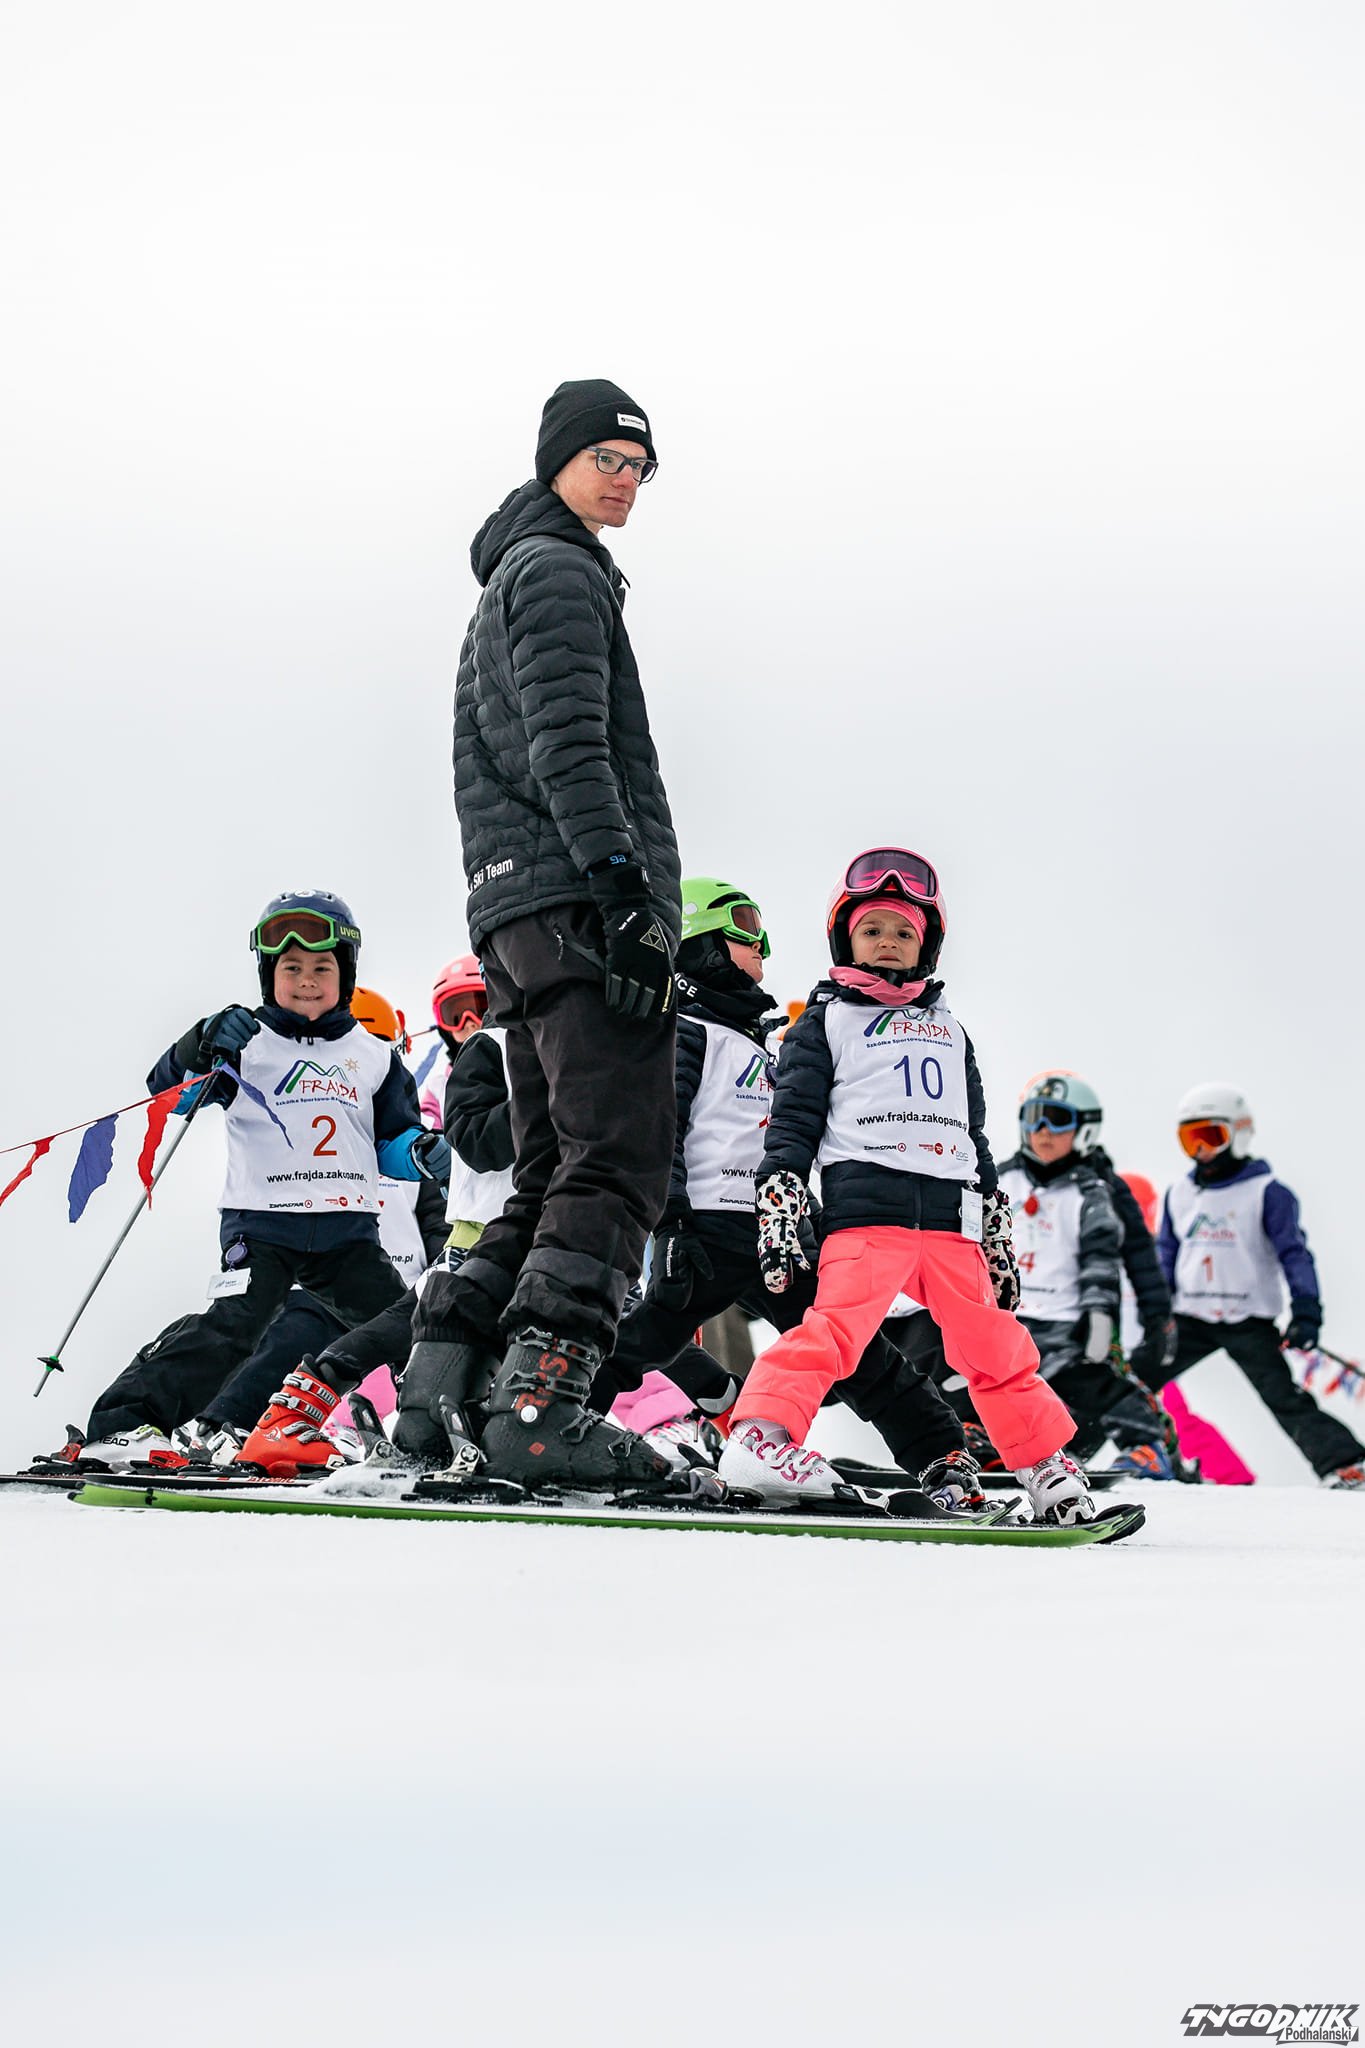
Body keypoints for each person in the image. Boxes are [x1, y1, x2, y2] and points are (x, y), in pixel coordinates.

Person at [405, 378, 682, 1490]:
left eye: (640, 467)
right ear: (556, 459)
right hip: (575, 900)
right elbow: (570, 745)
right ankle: (538, 1404)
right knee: (616, 1155)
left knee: (549, 1166)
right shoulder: (560, 569)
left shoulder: (515, 574)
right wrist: (625, 893)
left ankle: (436, 1390)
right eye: (607, 458)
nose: (625, 481)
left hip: (517, 912)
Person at [715, 849, 1099, 1525]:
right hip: (868, 1218)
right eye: (871, 930)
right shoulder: (824, 1023)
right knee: (832, 1333)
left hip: (952, 1225)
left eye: (902, 931)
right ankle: (760, 1438)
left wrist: (995, 1229)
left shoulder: (950, 1030)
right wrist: (780, 1207)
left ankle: (1042, 1464)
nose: (887, 941)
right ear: (845, 939)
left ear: (928, 944)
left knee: (996, 1347)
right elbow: (792, 1126)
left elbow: (973, 1136)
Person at [602, 876, 981, 1503]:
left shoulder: (758, 1040)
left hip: (777, 1232)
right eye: (746, 931)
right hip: (707, 1228)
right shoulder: (683, 1033)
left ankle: (941, 1454)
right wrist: (670, 1221)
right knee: (644, 1338)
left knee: (854, 1348)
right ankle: (548, 1423)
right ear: (698, 943)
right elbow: (658, 1133)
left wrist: (815, 1218)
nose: (762, 948)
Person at [67, 892, 449, 1472]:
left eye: (321, 969)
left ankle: (440, 1429)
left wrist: (421, 1153)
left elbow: (389, 1142)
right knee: (235, 1328)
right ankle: (121, 1426)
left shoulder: (373, 1055)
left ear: (345, 976)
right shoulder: (245, 1043)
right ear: (269, 976)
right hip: (263, 1224)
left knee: (406, 1326)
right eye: (291, 968)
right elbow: (171, 1096)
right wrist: (201, 1043)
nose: (306, 981)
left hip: (347, 1234)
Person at [186, 985, 449, 1454]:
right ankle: (222, 1425)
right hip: (323, 1275)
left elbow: (435, 1225)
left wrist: (439, 1273)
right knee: (287, 1339)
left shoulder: (408, 1151)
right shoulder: (315, 1126)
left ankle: (430, 1430)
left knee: (417, 1342)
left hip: (392, 1285)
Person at [1145, 1084, 1365, 1488]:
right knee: (1131, 1382)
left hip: (1247, 1320)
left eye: (1210, 1137)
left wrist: (1307, 1311)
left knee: (1281, 1394)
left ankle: (1347, 1464)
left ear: (1238, 1134)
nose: (1200, 1150)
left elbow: (1294, 1254)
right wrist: (1157, 1311)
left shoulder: (1267, 1192)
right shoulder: (1180, 1194)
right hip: (1188, 1318)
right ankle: (1064, 1452)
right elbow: (1166, 1256)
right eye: (1189, 1139)